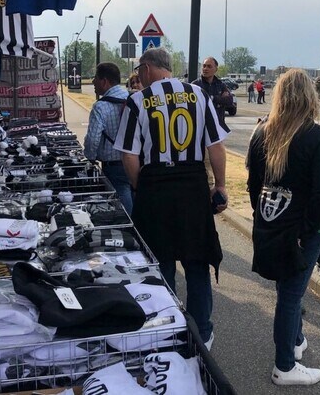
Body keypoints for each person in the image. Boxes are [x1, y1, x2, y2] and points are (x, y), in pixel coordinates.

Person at [114, 48, 228, 350]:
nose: (139, 74)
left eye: (140, 69)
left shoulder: (138, 101)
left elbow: (128, 154)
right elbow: (215, 146)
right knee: (196, 261)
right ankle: (203, 332)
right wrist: (221, 186)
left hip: (156, 186)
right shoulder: (199, 96)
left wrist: (141, 187)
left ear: (149, 68)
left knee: (161, 261)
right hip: (192, 186)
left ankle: (166, 328)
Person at [247, 69, 320, 386]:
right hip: (300, 232)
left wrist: (263, 217)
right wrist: (313, 232)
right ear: (310, 97)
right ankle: (284, 366)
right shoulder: (316, 136)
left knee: (287, 290)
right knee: (290, 296)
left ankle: (294, 340)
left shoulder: (260, 132)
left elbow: (254, 185)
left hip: (270, 224)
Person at [83, 63, 133, 213]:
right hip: (135, 159)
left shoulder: (100, 106)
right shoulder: (133, 99)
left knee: (121, 196)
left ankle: (129, 230)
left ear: (104, 81)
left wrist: (90, 157)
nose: (93, 82)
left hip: (114, 164)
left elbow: (93, 139)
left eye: (95, 78)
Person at [193, 56, 234, 129]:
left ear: (216, 69)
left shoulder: (221, 85)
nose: (205, 69)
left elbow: (230, 101)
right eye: (204, 66)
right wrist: (220, 99)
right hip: (200, 127)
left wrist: (213, 98)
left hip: (218, 127)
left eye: (209, 66)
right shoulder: (195, 85)